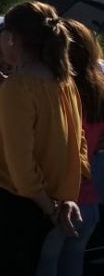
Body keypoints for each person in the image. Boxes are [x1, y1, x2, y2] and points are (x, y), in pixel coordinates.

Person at [0, 1, 88, 276]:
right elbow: (78, 143)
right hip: (45, 201)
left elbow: (22, 169)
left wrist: (51, 210)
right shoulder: (64, 81)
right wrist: (65, 199)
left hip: (14, 203)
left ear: (12, 37)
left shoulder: (20, 87)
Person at [36, 19, 104, 276]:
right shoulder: (99, 89)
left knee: (47, 263)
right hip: (89, 200)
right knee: (73, 263)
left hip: (60, 198)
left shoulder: (61, 91)